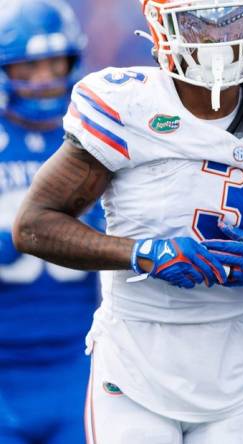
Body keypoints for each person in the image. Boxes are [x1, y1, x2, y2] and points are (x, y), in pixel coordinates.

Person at [12, 0, 243, 442]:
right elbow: (34, 225)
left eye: (233, 19)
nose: (218, 36)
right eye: (197, 22)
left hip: (237, 368)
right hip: (134, 366)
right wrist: (141, 253)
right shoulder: (124, 104)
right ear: (163, 27)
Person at [0, 1, 100, 443]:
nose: (44, 80)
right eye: (29, 67)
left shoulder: (98, 138)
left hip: (76, 358)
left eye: (53, 63)